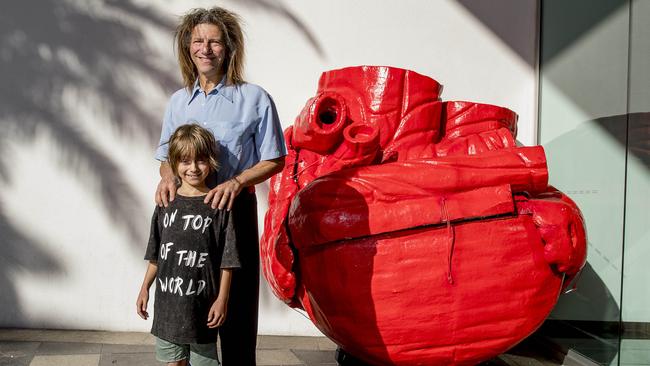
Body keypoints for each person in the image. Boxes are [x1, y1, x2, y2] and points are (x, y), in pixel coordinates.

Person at [153, 7, 287, 366]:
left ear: (229, 48)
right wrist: (167, 178)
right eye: (198, 40)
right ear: (187, 47)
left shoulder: (255, 98)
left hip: (234, 212)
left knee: (237, 316)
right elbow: (167, 156)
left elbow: (276, 158)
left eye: (214, 41)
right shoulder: (178, 102)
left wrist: (237, 181)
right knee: (188, 311)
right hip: (186, 218)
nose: (205, 48)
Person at [138, 124, 241, 366]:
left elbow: (228, 260)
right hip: (167, 310)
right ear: (174, 164)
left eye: (201, 160)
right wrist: (144, 288)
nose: (193, 168)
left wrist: (222, 299)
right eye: (185, 161)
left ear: (211, 162)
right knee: (174, 363)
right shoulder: (166, 203)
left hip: (202, 311)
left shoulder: (219, 205)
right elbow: (156, 254)